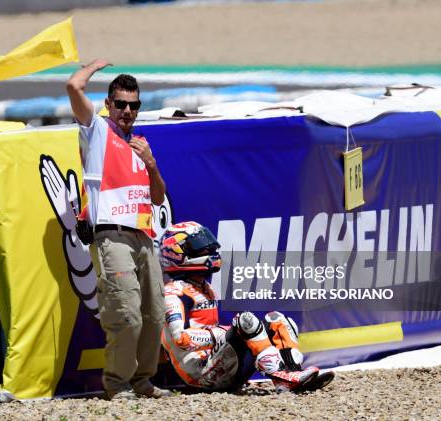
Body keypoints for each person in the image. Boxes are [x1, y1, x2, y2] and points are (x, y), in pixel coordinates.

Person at [66, 59, 170, 400]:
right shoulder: (96, 131)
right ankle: (118, 384)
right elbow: (73, 87)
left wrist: (151, 164)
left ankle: (142, 382)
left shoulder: (140, 143)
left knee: (154, 317)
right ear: (108, 104)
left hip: (143, 237)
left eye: (133, 105)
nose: (127, 110)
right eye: (121, 104)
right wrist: (94, 66)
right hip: (111, 236)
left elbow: (157, 198)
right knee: (126, 315)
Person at [160, 221, 335, 393]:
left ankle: (291, 374)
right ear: (176, 253)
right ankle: (280, 375)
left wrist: (225, 334)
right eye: (200, 246)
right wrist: (220, 332)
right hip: (198, 376)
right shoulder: (173, 292)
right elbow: (179, 338)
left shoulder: (205, 288)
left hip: (215, 363)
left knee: (278, 321)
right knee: (245, 321)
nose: (210, 250)